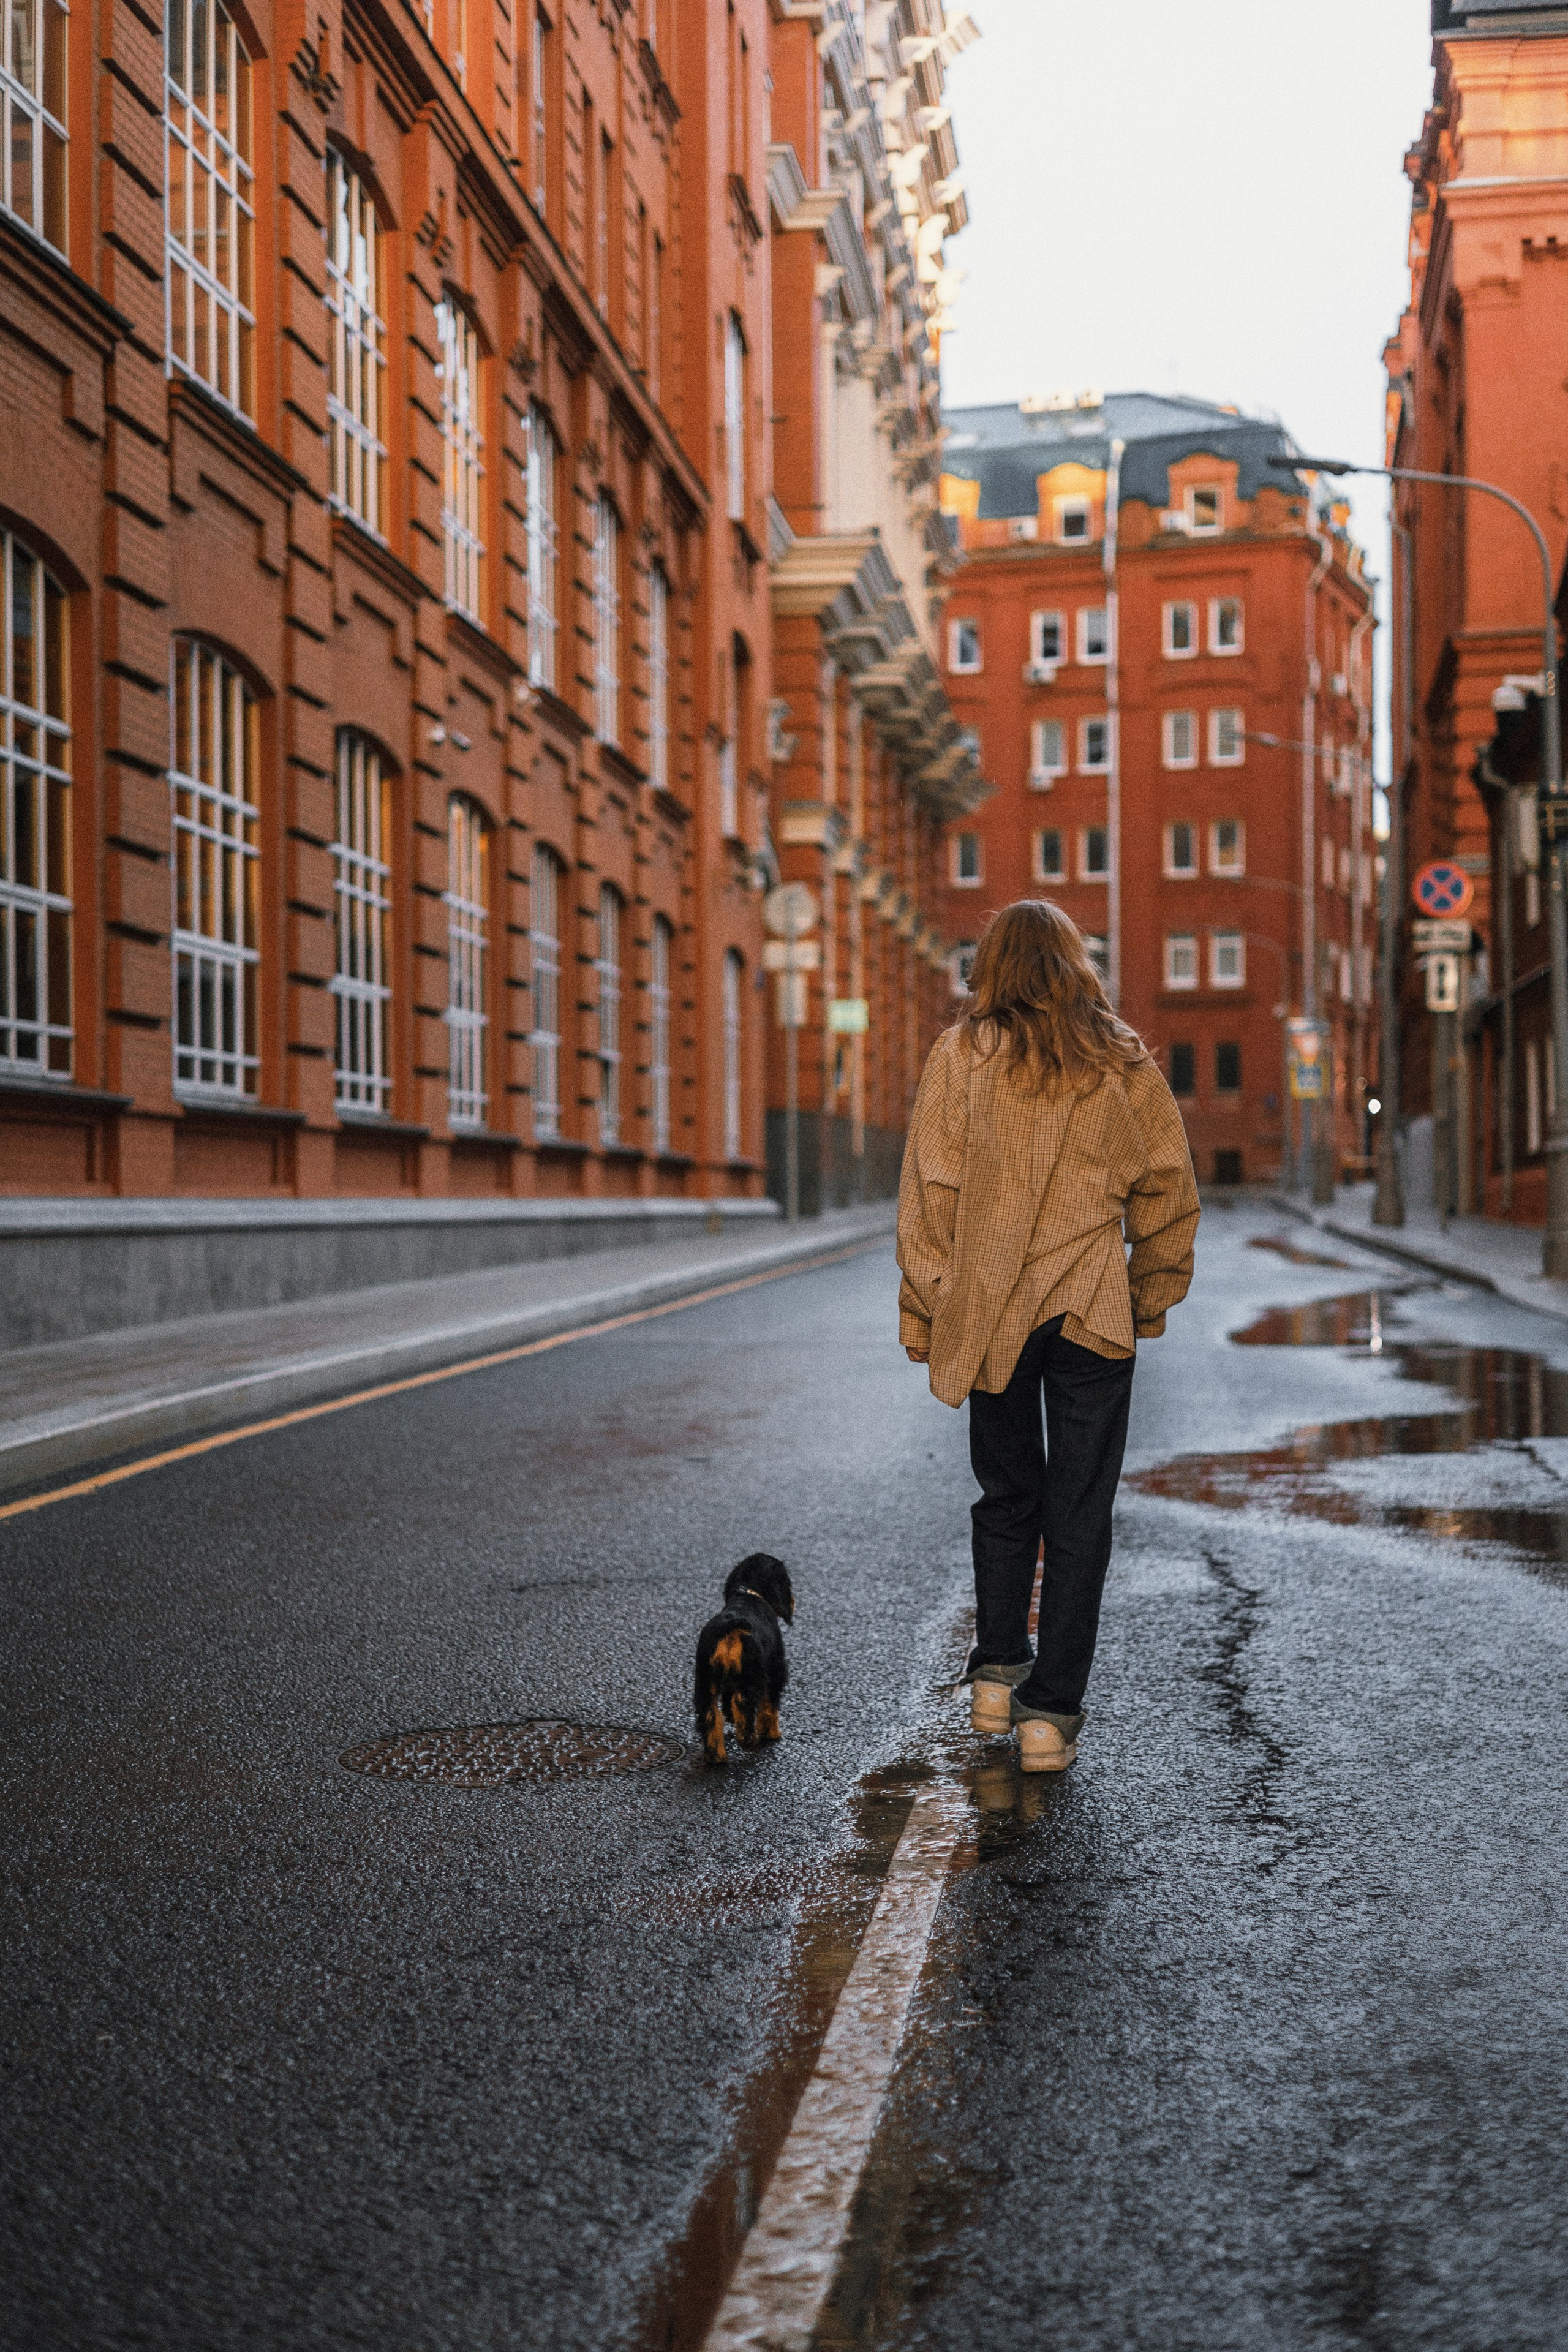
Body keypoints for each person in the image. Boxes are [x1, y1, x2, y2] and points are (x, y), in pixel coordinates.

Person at [897, 899, 1199, 1773]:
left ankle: (997, 1675)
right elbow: (1169, 1190)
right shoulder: (1121, 1058)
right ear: (1076, 964)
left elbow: (931, 1198)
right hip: (1092, 1309)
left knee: (1006, 1493)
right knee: (1080, 1510)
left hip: (991, 1310)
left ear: (988, 966)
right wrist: (1149, 1294)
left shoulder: (962, 1056)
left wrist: (926, 1311)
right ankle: (1049, 1717)